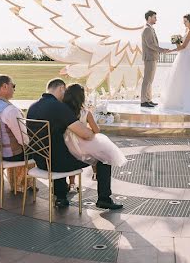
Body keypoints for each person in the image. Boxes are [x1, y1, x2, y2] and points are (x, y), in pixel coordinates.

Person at [26, 78, 122, 210]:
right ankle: (104, 199)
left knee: (58, 147)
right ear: (61, 89)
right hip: (58, 164)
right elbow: (85, 134)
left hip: (40, 160)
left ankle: (61, 197)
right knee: (104, 157)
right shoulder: (58, 107)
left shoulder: (33, 107)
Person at [62, 84, 128, 169]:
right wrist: (88, 129)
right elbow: (96, 130)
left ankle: (72, 181)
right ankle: (95, 172)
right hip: (80, 145)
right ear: (82, 97)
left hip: (67, 143)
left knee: (95, 147)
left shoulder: (63, 111)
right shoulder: (85, 113)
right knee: (101, 150)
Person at [140, 10, 170, 108]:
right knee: (147, 80)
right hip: (149, 57)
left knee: (150, 80)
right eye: (154, 17)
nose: (156, 19)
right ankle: (144, 101)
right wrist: (162, 50)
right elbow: (150, 44)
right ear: (149, 17)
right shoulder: (147, 29)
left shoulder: (150, 29)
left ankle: (148, 99)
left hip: (152, 57)